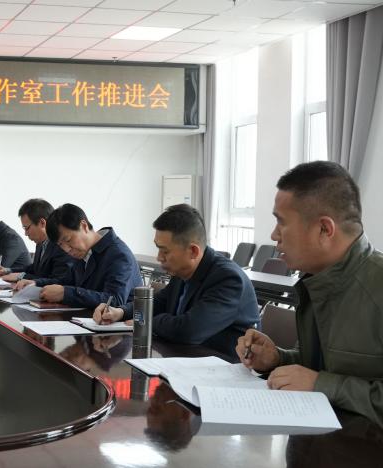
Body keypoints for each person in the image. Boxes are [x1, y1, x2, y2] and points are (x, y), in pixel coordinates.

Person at [237, 161, 383, 427]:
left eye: (281, 222)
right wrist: (278, 359)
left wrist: (322, 385)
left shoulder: (376, 286)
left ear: (324, 229)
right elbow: (321, 367)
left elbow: (322, 380)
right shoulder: (317, 280)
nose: (274, 235)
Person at [93, 204, 259, 356]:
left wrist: (145, 321)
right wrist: (120, 312)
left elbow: (190, 330)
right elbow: (159, 303)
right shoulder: (182, 270)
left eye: (165, 251)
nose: (159, 257)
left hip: (221, 366)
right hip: (185, 357)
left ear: (193, 251)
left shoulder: (228, 279)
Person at [42, 203, 142, 309]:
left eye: (68, 240)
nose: (67, 249)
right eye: (61, 245)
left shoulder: (119, 255)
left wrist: (66, 293)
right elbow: (66, 282)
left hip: (125, 319)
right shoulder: (84, 252)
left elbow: (114, 301)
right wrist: (36, 284)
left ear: (84, 226)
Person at [0, 198, 73, 289]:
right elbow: (35, 268)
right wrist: (9, 270)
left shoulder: (61, 245)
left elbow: (58, 281)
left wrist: (21, 276)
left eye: (27, 228)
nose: (26, 234)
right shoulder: (41, 243)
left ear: (42, 223)